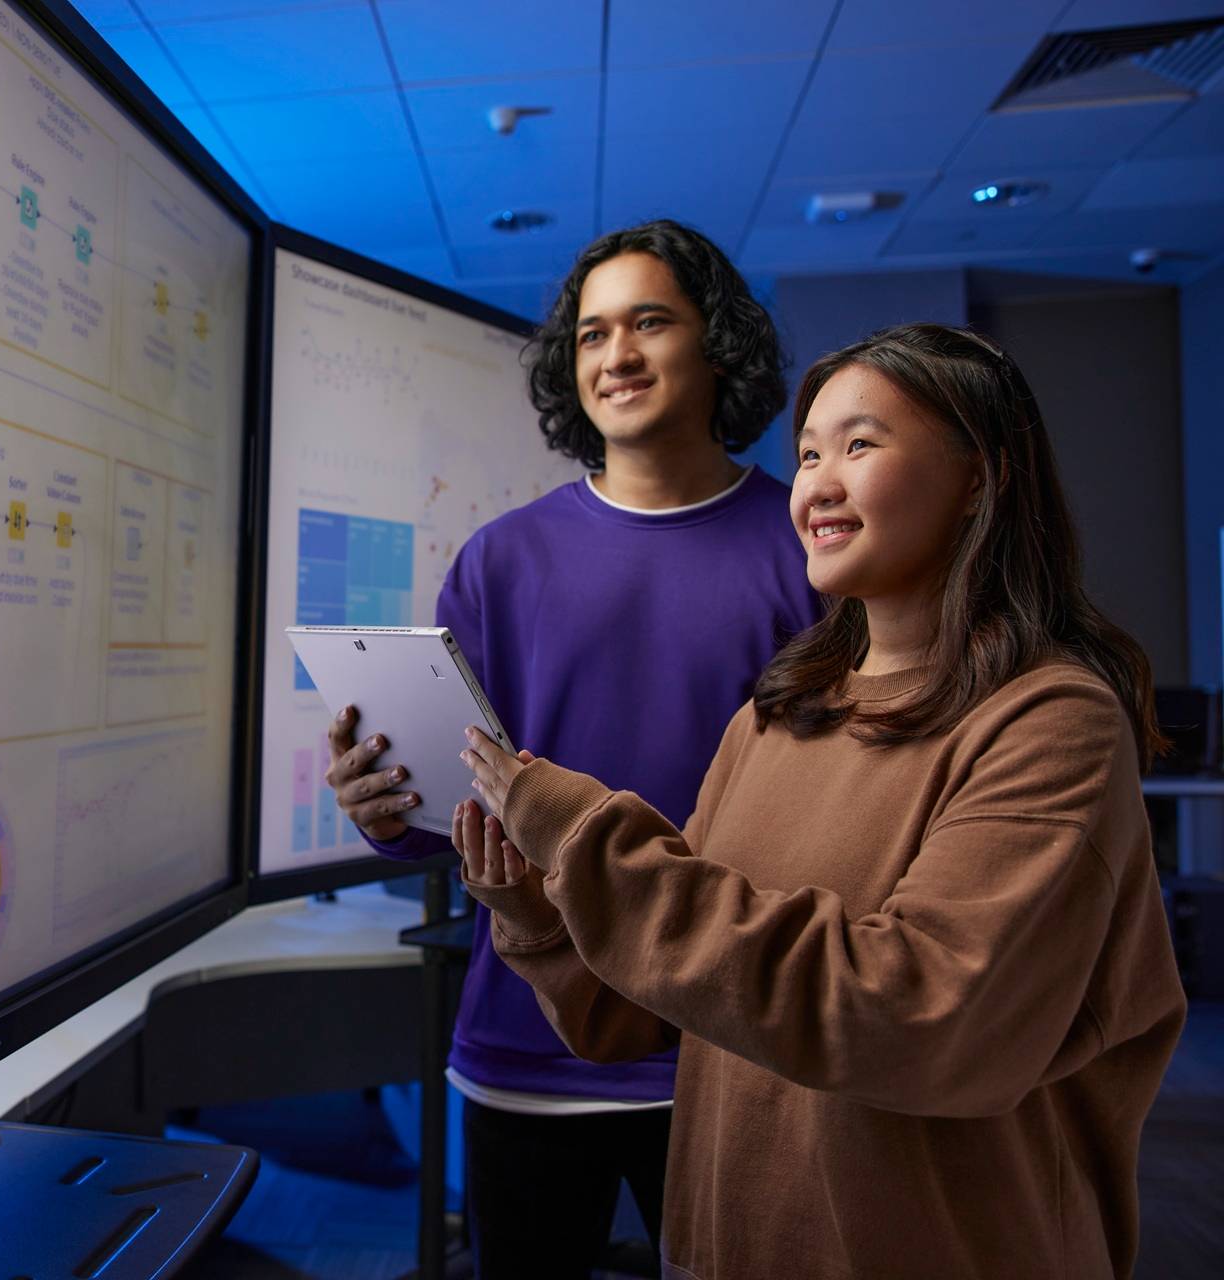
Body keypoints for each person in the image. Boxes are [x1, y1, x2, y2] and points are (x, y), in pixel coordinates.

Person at [453, 322, 1186, 1279]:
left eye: (860, 444)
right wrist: (534, 911)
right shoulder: (776, 717)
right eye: (805, 455)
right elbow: (651, 1010)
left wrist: (584, 832)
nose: (817, 485)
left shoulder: (1052, 723)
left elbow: (919, 1014)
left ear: (980, 478)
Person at [325, 219, 820, 1274]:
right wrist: (384, 809)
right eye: (593, 332)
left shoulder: (803, 551)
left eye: (651, 322)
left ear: (717, 346)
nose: (617, 355)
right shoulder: (503, 559)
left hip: (734, 1034)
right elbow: (445, 809)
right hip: (527, 1037)